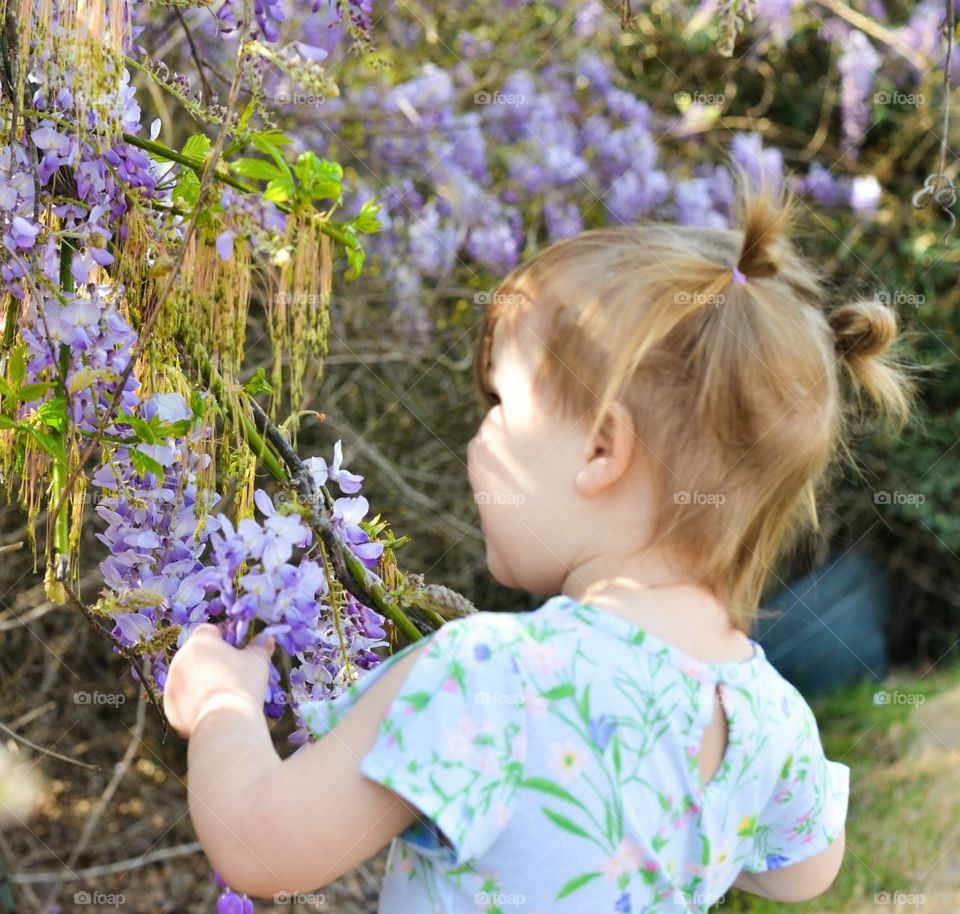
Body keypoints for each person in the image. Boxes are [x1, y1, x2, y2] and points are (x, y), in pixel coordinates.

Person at [163, 165, 914, 912]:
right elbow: (801, 871)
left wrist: (222, 706)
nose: (478, 433)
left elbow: (262, 848)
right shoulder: (770, 720)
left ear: (599, 449)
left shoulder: (488, 675)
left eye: (501, 400)